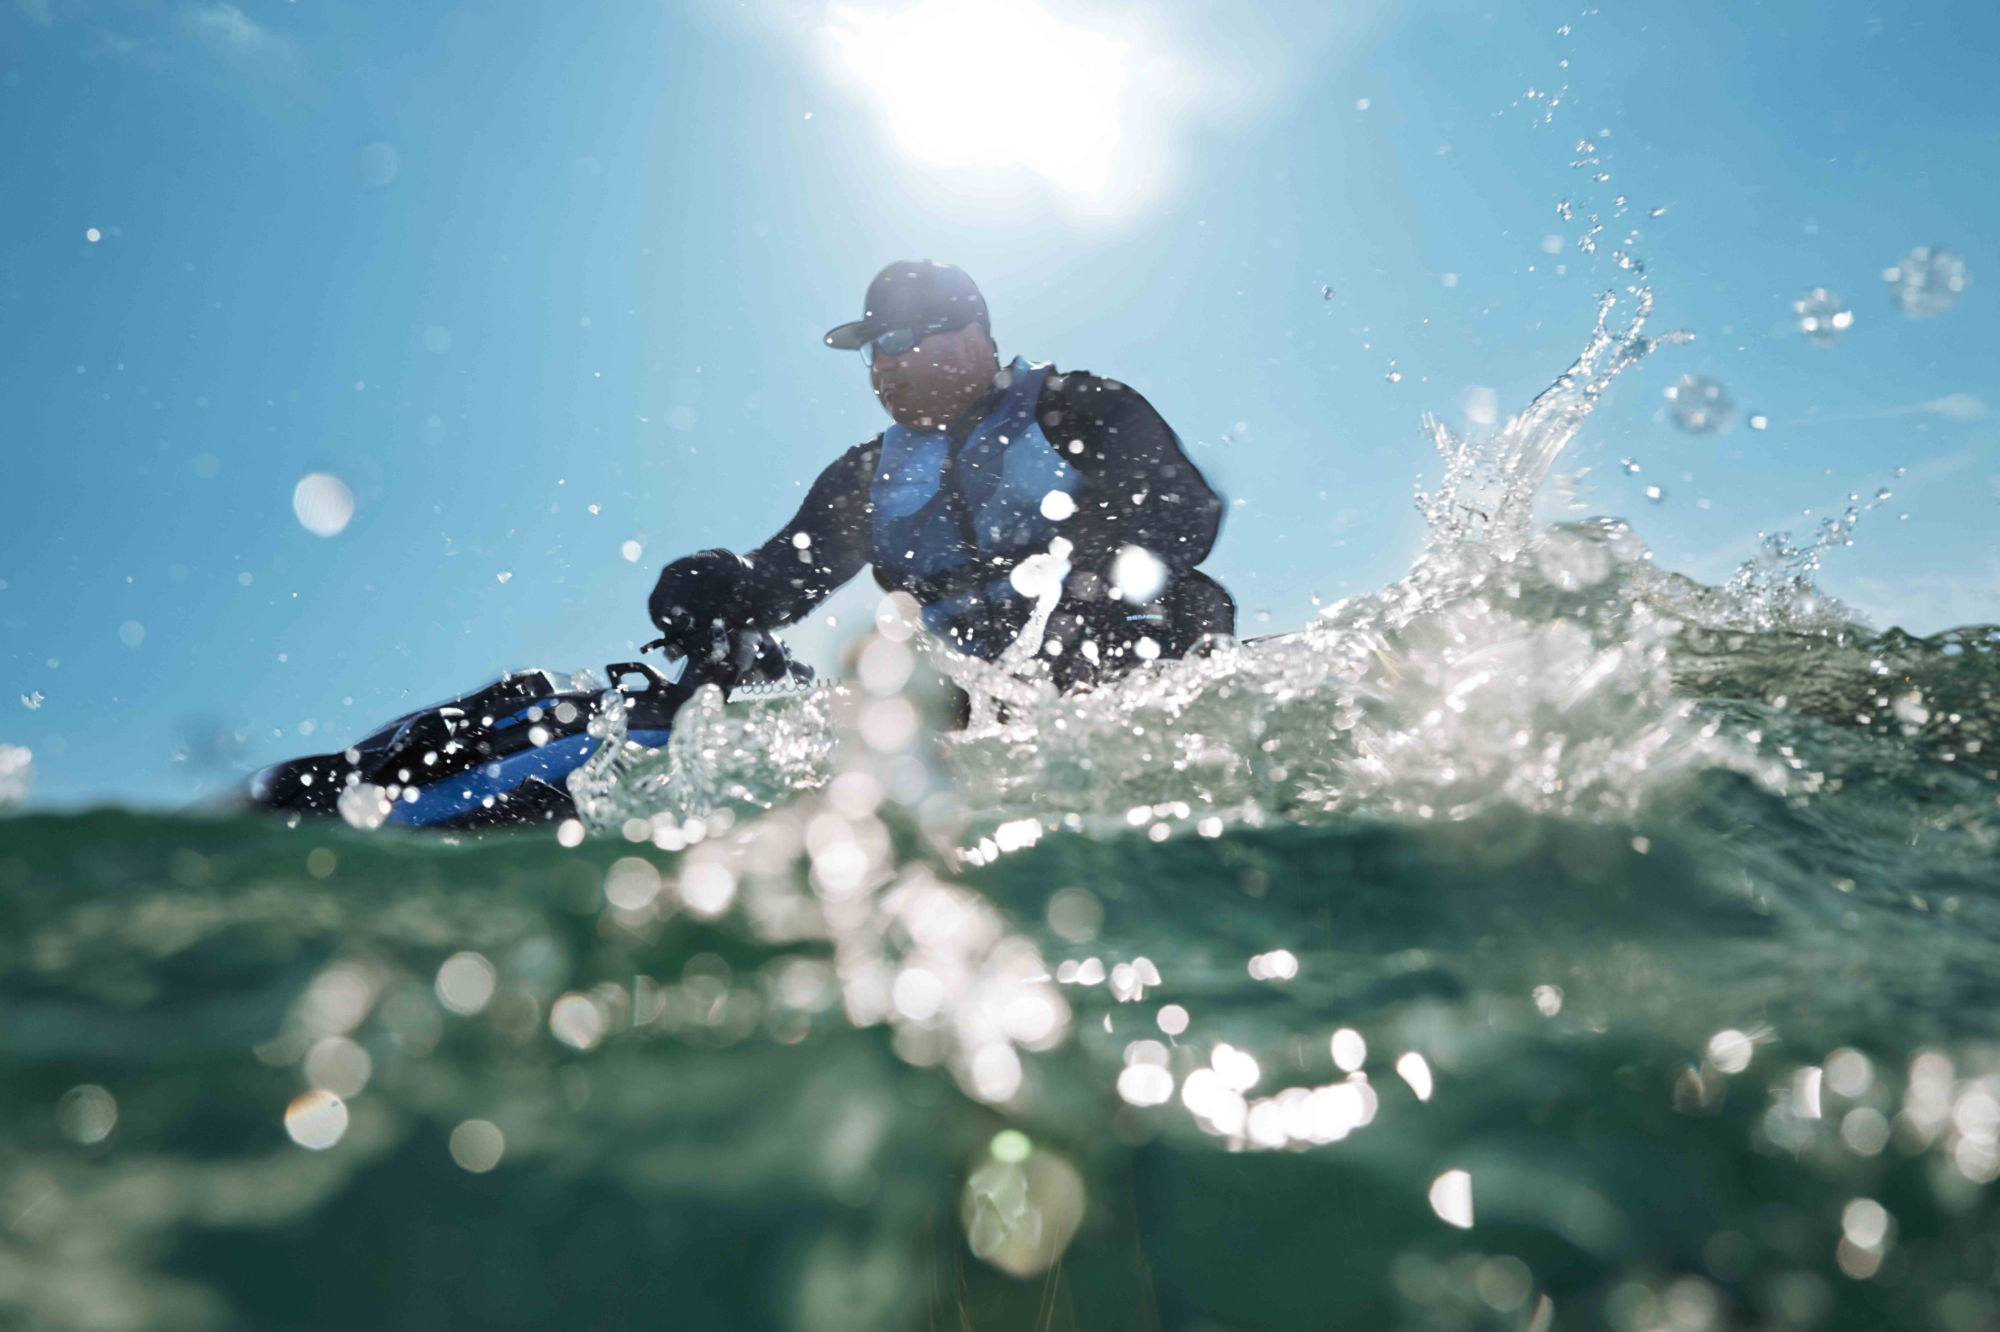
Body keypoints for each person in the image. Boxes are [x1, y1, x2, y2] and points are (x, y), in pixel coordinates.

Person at [647, 260, 1234, 692]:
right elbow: (779, 578)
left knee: (1169, 609)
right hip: (979, 702)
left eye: (900, 340)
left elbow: (1182, 510)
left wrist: (1086, 590)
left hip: (1139, 677)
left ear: (972, 337)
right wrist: (721, 581)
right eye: (873, 350)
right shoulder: (864, 480)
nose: (884, 365)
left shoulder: (1076, 408)